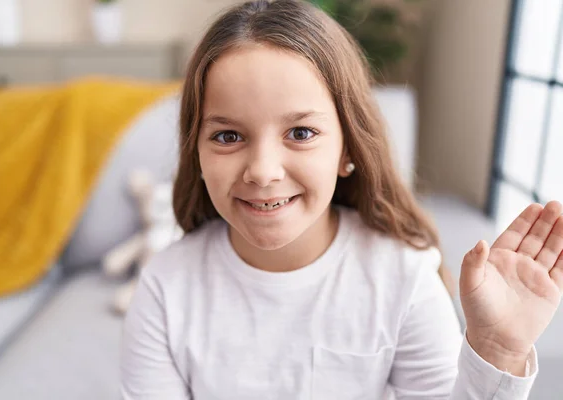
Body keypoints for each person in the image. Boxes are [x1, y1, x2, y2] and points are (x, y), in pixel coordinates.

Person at [120, 0, 563, 398]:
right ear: (196, 153)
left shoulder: (403, 277)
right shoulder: (164, 288)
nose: (263, 170)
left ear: (348, 149)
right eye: (228, 135)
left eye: (300, 133)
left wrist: (497, 350)